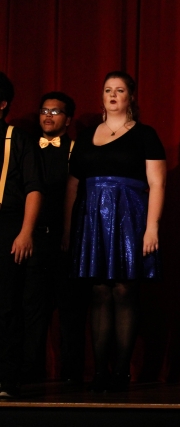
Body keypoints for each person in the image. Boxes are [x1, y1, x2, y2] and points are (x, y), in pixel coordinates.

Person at [63, 71, 166, 392]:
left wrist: (152, 228)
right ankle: (100, 372)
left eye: (119, 90)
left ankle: (121, 370)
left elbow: (158, 183)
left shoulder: (145, 134)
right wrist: (68, 230)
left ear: (130, 96)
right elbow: (73, 184)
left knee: (123, 290)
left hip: (129, 218)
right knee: (98, 291)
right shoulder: (86, 136)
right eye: (108, 90)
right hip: (92, 219)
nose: (113, 95)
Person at [23, 92, 89, 385]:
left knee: (71, 313)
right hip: (34, 240)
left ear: (68, 119)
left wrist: (69, 234)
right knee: (33, 311)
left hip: (67, 242)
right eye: (44, 110)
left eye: (55, 111)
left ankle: (72, 377)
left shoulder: (77, 150)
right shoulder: (26, 148)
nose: (48, 116)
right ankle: (31, 376)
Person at [0, 72, 44, 398]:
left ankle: (7, 380)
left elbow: (33, 188)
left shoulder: (18, 139)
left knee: (6, 306)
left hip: (7, 227)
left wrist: (26, 232)